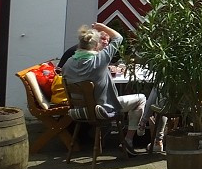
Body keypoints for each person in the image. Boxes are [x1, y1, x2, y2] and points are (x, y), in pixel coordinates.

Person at [61, 21, 146, 158]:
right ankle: (128, 140)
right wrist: (102, 27)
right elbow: (119, 38)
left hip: (77, 111)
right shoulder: (100, 59)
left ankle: (106, 138)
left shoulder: (68, 63)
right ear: (95, 46)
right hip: (102, 109)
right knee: (141, 98)